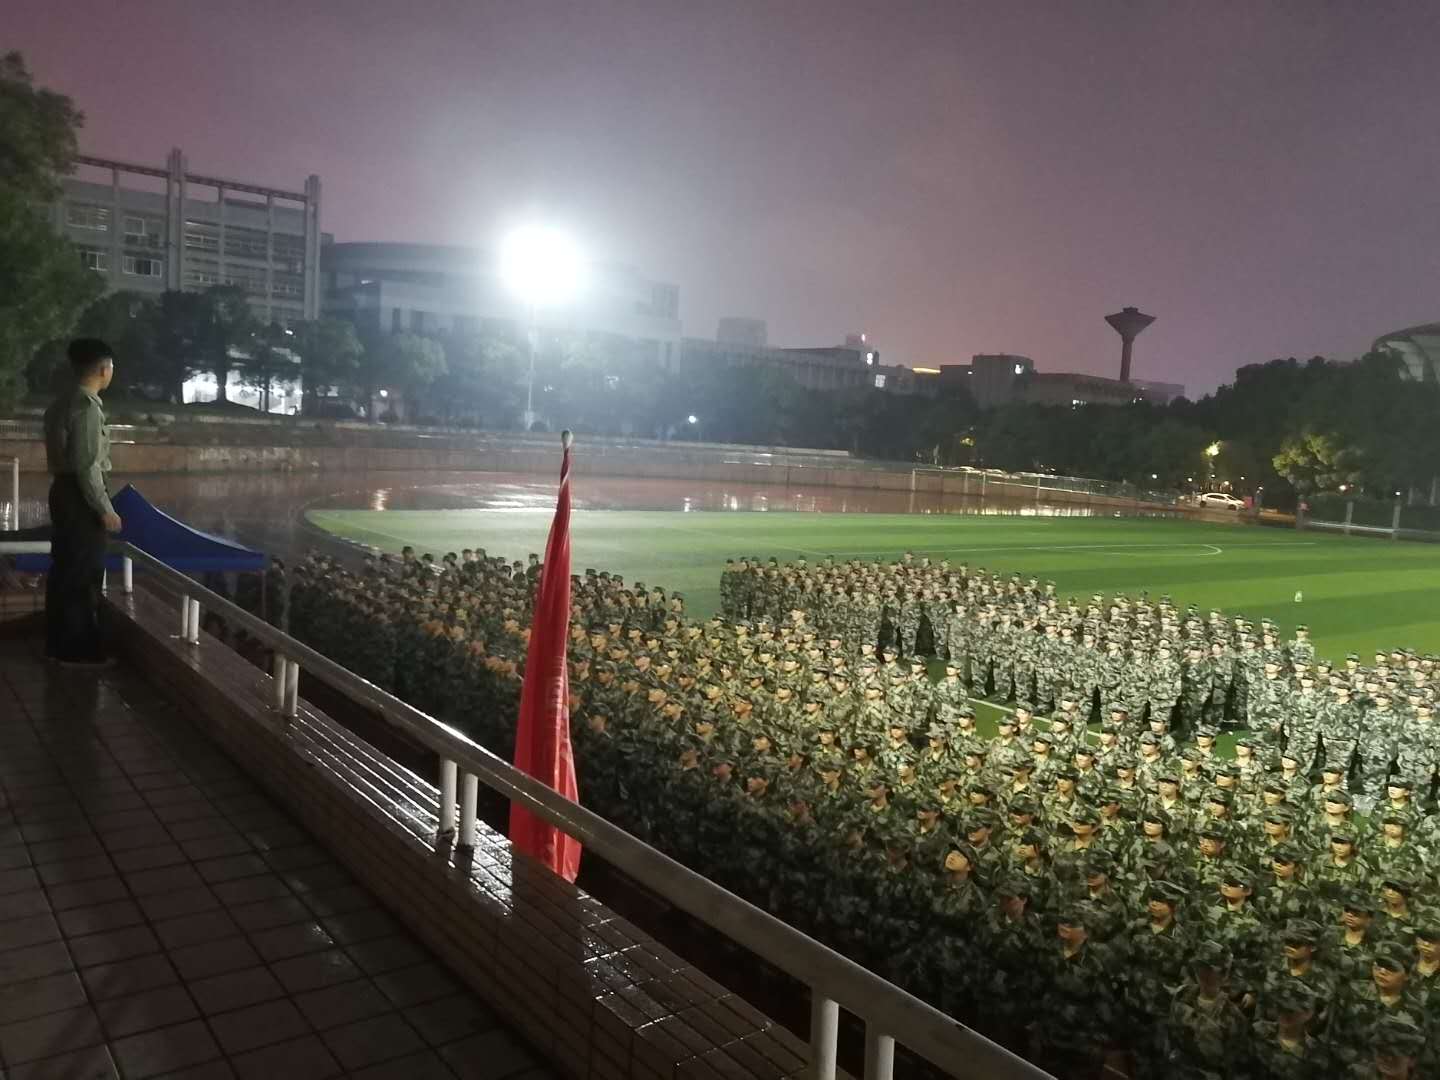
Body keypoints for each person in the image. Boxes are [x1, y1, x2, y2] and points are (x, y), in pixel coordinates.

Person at [42, 338, 122, 665]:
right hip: (80, 497)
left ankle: (58, 645)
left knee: (64, 569)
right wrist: (105, 509)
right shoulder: (86, 408)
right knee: (82, 573)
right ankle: (78, 652)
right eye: (112, 368)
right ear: (104, 369)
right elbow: (87, 467)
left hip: (63, 490)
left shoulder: (60, 404)